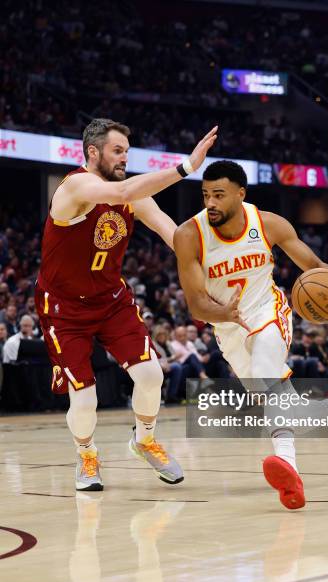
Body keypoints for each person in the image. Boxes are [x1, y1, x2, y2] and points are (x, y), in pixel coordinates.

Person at [174, 160, 328, 511]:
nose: (210, 202)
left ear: (240, 195)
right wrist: (221, 313)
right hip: (228, 329)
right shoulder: (189, 235)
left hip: (268, 313)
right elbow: (197, 304)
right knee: (283, 410)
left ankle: (290, 473)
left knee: (264, 374)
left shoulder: (268, 223)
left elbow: (314, 266)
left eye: (219, 195)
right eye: (205, 195)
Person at [35, 117, 217, 491]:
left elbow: (167, 227)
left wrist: (200, 271)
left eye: (126, 153)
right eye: (117, 151)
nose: (123, 159)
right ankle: (87, 453)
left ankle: (145, 440)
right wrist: (186, 168)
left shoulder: (131, 192)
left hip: (111, 299)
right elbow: (119, 194)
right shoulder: (75, 187)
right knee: (84, 399)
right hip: (64, 308)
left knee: (152, 375)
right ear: (93, 152)